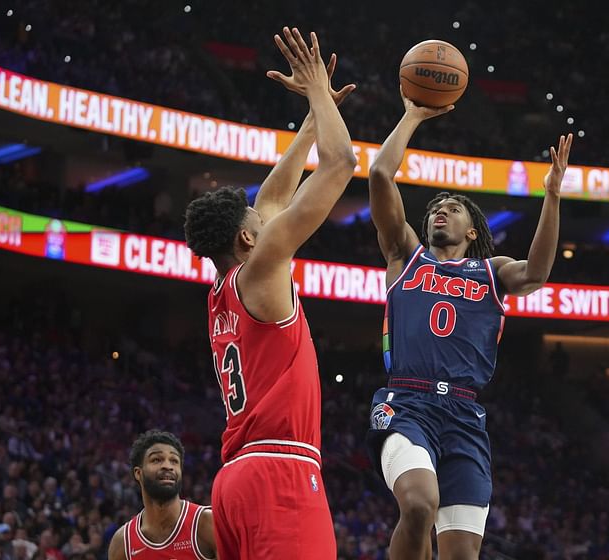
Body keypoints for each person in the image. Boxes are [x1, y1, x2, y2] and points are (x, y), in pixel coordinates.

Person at [366, 89, 573, 559]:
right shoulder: (405, 255)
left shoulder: (492, 270)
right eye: (436, 205)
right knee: (419, 506)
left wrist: (552, 197)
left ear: (473, 230)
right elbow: (380, 173)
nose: (441, 209)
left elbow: (537, 273)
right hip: (407, 401)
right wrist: (411, 117)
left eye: (454, 207)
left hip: (464, 415)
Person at [183, 27, 356, 559]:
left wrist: (310, 119)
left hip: (233, 481)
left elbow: (275, 195)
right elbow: (342, 163)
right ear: (247, 238)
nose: (267, 212)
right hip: (280, 471)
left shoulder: (222, 293)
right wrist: (321, 93)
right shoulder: (260, 269)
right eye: (259, 220)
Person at [107, 431, 215, 560]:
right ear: (138, 473)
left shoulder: (206, 523)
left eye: (174, 461)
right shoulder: (123, 543)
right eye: (156, 460)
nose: (167, 466)